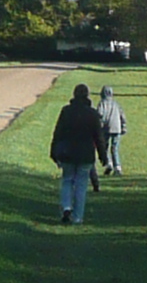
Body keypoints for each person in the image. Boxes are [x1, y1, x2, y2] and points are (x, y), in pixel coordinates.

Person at [49, 83, 104, 223]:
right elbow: (98, 137)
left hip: (67, 153)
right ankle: (78, 217)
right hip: (85, 155)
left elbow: (58, 133)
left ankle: (66, 207)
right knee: (81, 185)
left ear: (74, 95)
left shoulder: (66, 111)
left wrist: (53, 151)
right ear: (87, 96)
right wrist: (102, 155)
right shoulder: (92, 114)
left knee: (67, 180)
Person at [96, 85, 126, 175]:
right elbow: (122, 116)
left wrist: (99, 125)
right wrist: (123, 126)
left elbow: (100, 115)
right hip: (117, 128)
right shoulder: (116, 104)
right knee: (115, 148)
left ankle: (109, 163)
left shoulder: (102, 103)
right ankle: (117, 167)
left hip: (106, 128)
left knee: (104, 147)